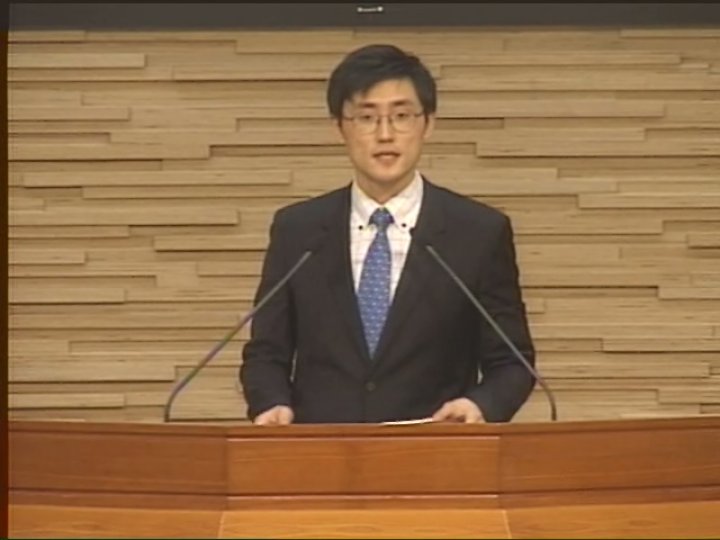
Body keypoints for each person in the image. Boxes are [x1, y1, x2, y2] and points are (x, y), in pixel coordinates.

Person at [240, 44, 536, 425]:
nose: (385, 134)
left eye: (401, 116)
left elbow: (512, 361)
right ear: (339, 127)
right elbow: (266, 353)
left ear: (428, 124)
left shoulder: (478, 232)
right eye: (366, 117)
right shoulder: (298, 231)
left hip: (436, 450)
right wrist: (271, 403)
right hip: (319, 451)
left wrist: (479, 406)